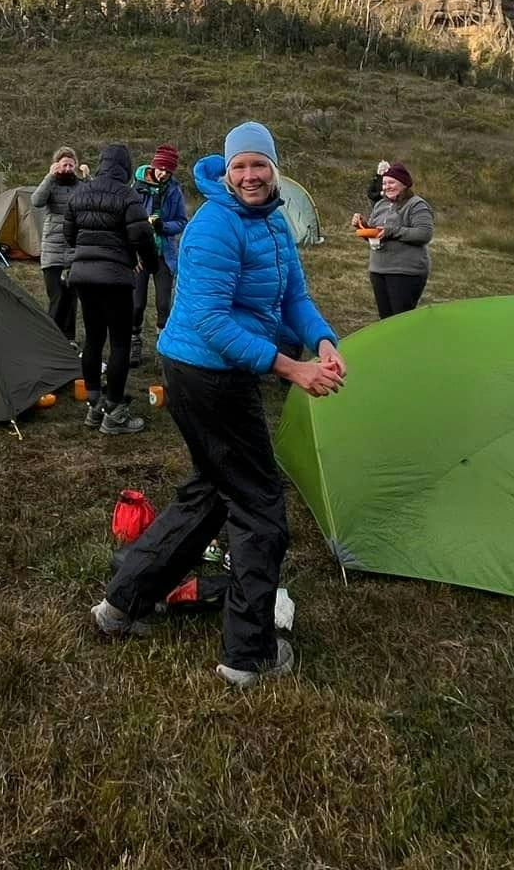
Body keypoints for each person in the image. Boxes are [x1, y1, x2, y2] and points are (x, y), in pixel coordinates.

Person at [92, 121, 346, 688]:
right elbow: (209, 320)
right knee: (259, 507)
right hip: (204, 373)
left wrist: (324, 341)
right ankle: (248, 655)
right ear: (226, 173)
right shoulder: (213, 225)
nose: (251, 176)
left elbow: (294, 298)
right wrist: (288, 367)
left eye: (260, 165)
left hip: (224, 369)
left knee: (210, 492)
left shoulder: (275, 224)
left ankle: (122, 602)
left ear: (275, 169)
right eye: (240, 167)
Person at [62, 143, 160, 435]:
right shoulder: (128, 196)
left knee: (93, 337)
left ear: (101, 163)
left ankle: (94, 405)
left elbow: (69, 234)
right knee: (119, 342)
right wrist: (148, 264)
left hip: (83, 276)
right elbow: (142, 236)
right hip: (116, 278)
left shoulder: (80, 192)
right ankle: (115, 411)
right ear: (126, 167)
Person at [129, 143, 189, 364]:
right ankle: (134, 343)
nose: (163, 173)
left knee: (164, 303)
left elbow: (182, 221)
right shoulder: (136, 187)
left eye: (168, 170)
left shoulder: (174, 190)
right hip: (140, 254)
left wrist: (163, 226)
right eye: (160, 168)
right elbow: (127, 220)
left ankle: (164, 347)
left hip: (165, 254)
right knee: (137, 303)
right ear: (153, 166)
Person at [353, 161, 434, 318]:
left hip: (405, 272)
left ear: (404, 184)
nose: (387, 186)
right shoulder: (381, 205)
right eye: (384, 183)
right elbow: (377, 234)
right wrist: (362, 226)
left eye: (391, 182)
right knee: (386, 321)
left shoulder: (416, 205)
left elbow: (424, 234)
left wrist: (392, 231)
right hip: (378, 271)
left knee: (401, 321)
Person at [31, 146, 86, 347]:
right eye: (64, 164)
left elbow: (92, 200)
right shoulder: (51, 183)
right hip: (52, 248)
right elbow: (36, 201)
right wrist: (49, 177)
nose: (68, 168)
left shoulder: (80, 185)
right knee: (57, 295)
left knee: (71, 295)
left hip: (74, 248)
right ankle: (50, 338)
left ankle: (69, 338)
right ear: (56, 165)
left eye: (71, 165)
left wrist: (87, 179)